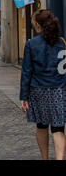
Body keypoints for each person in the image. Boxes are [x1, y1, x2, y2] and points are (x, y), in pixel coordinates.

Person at [20, 9, 66, 161]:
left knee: (42, 126)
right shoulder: (62, 42)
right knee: (58, 128)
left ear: (38, 25)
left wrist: (23, 96)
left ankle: (45, 158)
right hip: (59, 89)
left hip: (38, 90)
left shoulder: (31, 44)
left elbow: (27, 72)